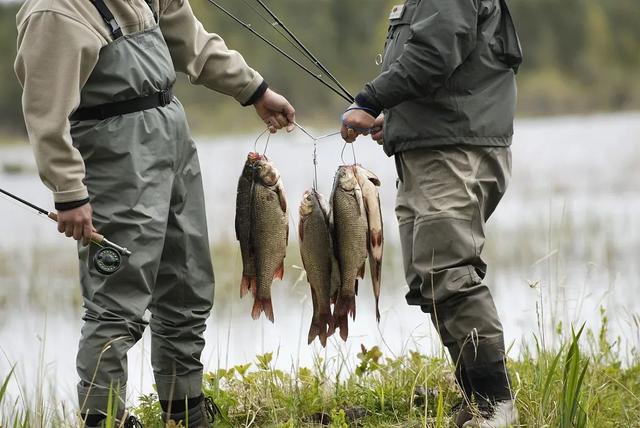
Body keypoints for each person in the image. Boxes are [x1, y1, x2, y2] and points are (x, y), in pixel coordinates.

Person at [15, 0, 295, 426]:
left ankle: (184, 412)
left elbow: (193, 45)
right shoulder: (54, 12)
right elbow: (45, 115)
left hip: (173, 138)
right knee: (116, 304)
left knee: (188, 288)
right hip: (114, 155)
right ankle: (103, 419)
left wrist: (253, 89)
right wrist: (69, 192)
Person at [341, 0, 522, 427]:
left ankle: (498, 407)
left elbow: (434, 54)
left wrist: (369, 99)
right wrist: (398, 118)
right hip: (435, 146)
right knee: (432, 279)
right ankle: (478, 402)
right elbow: (443, 63)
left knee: (449, 273)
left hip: (454, 150)